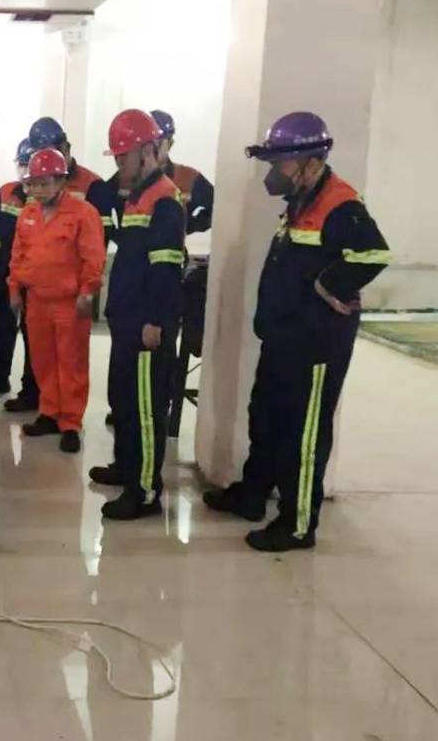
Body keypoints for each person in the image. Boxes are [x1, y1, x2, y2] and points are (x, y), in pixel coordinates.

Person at [203, 112, 391, 552]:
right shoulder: (302, 200)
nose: (274, 172)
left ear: (312, 161)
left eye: (281, 163)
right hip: (284, 336)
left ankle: (297, 523)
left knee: (303, 433)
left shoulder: (341, 204)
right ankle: (253, 494)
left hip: (316, 343)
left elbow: (374, 254)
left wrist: (330, 286)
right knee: (265, 416)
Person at [88, 110, 186, 520]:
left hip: (147, 323)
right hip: (127, 319)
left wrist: (155, 321)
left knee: (145, 409)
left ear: (147, 151)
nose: (118, 165)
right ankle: (127, 467)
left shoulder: (164, 199)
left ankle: (144, 491)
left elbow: (166, 268)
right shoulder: (137, 196)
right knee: (124, 400)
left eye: (123, 157)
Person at [9, 148, 107, 453]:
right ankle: (49, 413)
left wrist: (88, 292)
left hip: (69, 303)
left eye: (44, 183)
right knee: (43, 361)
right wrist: (14, 289)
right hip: (37, 301)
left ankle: (71, 422)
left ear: (61, 181)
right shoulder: (28, 215)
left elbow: (93, 256)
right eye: (33, 184)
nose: (38, 190)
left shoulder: (83, 213)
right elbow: (18, 254)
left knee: (71, 362)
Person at [0, 138, 38, 407]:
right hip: (6, 271)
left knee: (32, 333)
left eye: (29, 164)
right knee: (2, 327)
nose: (25, 170)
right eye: (22, 164)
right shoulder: (6, 193)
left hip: (35, 276)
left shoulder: (45, 195)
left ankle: (32, 387)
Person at [150, 110, 216, 234]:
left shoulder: (189, 178)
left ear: (170, 143)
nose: (151, 149)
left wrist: (186, 226)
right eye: (147, 143)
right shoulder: (127, 178)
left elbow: (218, 207)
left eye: (157, 143)